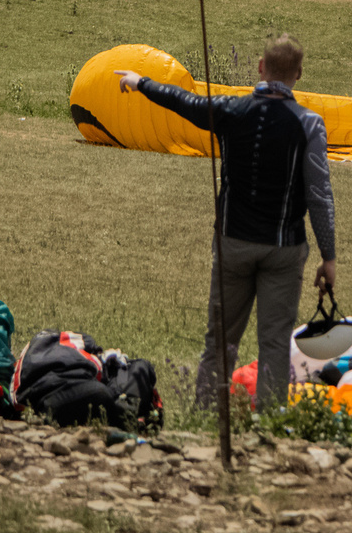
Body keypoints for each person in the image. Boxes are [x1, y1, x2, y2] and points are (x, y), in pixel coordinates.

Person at [116, 36, 336, 412]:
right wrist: (328, 256)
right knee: (274, 342)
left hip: (233, 242)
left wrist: (141, 83)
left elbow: (185, 102)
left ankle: (205, 414)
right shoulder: (309, 125)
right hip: (284, 249)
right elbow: (319, 195)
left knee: (220, 341)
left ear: (260, 67)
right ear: (299, 74)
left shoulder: (232, 111)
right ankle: (269, 420)